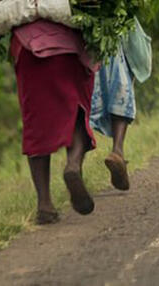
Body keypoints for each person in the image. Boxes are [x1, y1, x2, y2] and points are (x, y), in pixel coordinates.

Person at [10, 18, 99, 225]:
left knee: (36, 125)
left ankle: (45, 205)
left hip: (28, 48)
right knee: (77, 114)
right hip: (68, 48)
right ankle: (73, 165)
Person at [90, 17, 152, 191]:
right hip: (109, 32)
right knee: (121, 84)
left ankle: (74, 166)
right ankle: (117, 150)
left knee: (82, 102)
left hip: (79, 38)